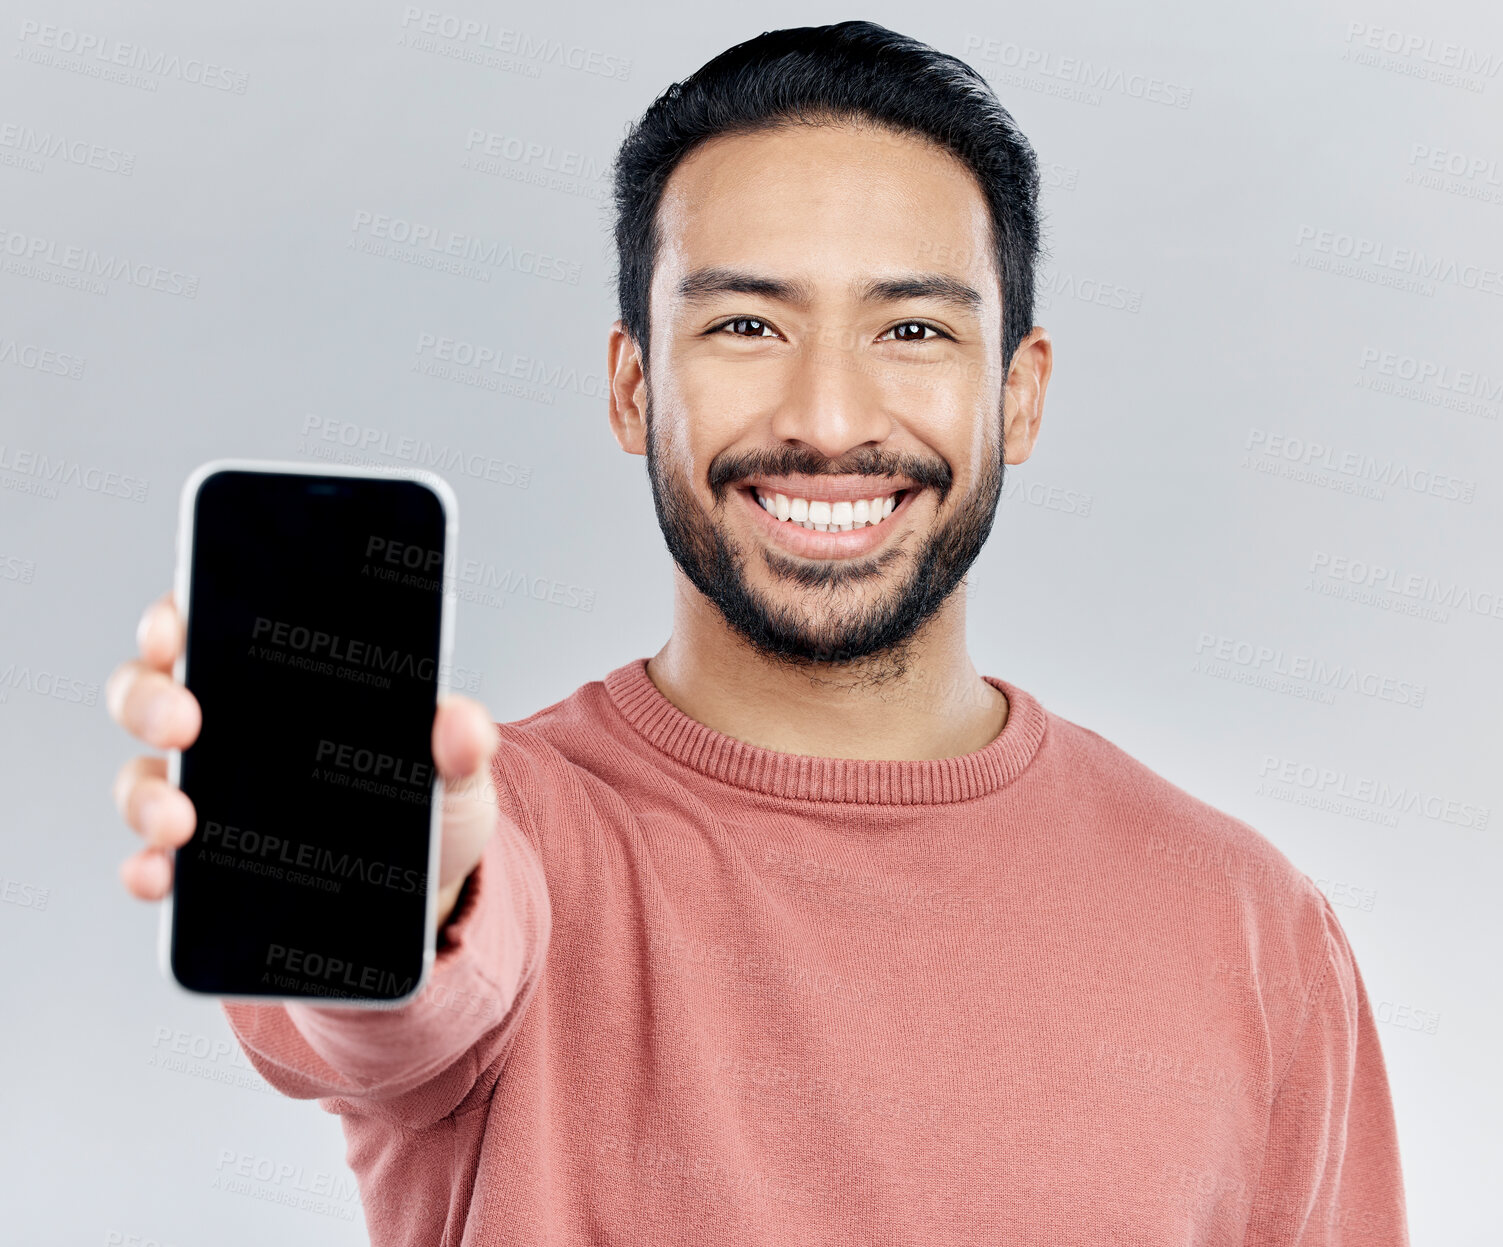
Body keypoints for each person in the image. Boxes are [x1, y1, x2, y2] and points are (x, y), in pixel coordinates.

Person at [105, 20, 1410, 1246]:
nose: (831, 416)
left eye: (911, 328)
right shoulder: (511, 848)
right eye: (744, 324)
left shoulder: (1247, 922)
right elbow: (394, 1016)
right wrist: (403, 886)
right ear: (633, 386)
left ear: (1017, 396)